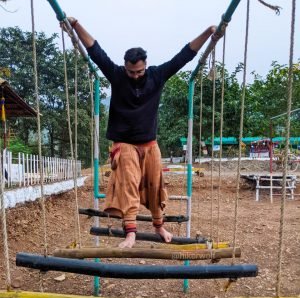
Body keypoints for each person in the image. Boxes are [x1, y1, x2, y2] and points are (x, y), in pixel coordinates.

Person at [67, 17, 217, 248]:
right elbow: (95, 50)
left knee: (156, 184)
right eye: (131, 72)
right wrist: (76, 25)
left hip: (149, 144)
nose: (135, 75)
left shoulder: (157, 75)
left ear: (145, 65)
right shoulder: (116, 75)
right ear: (125, 66)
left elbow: (184, 55)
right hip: (124, 144)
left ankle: (159, 225)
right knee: (128, 181)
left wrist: (208, 32)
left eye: (138, 71)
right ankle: (130, 231)